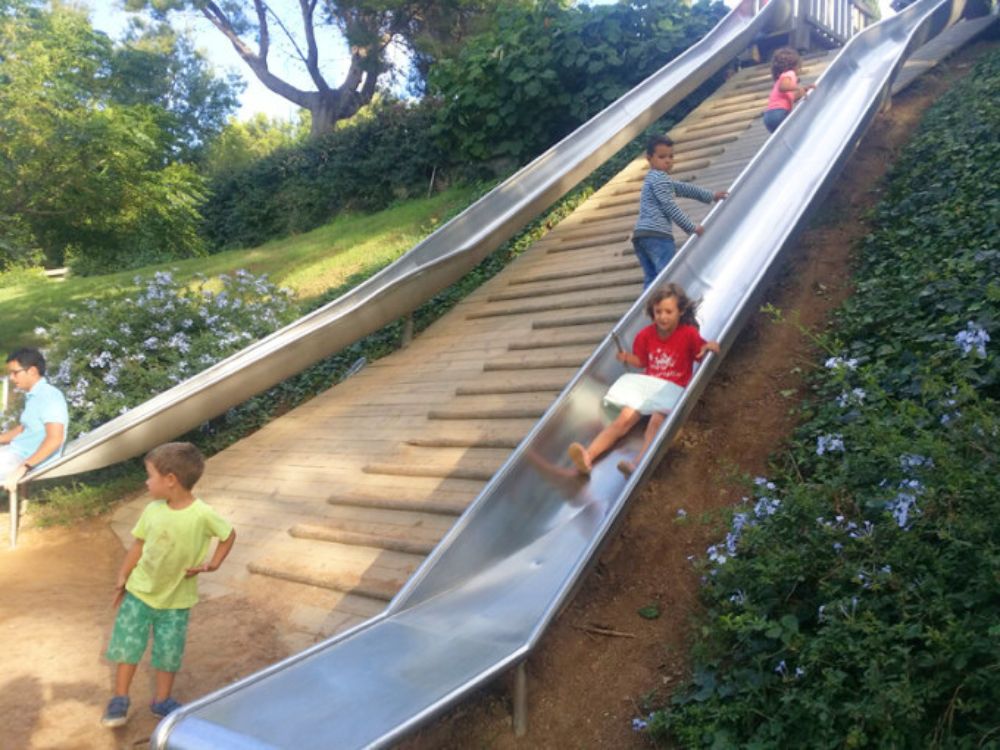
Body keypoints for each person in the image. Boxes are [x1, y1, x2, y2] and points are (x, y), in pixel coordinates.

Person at [101, 442, 236, 728]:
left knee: (168, 652)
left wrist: (214, 563)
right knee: (128, 646)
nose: (146, 481)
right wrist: (123, 575)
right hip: (139, 593)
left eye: (150, 475)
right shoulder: (152, 510)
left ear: (171, 480)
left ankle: (162, 700)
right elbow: (138, 544)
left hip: (176, 601)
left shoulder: (202, 514)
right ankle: (120, 698)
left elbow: (228, 534)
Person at [567, 283, 720, 477]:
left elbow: (701, 353)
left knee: (656, 421)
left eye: (668, 311)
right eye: (658, 312)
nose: (662, 317)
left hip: (672, 388)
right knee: (623, 419)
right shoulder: (645, 335)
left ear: (680, 311)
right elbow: (642, 362)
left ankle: (637, 463)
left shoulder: (688, 334)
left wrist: (709, 346)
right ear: (652, 312)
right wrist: (627, 358)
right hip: (648, 386)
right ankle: (588, 456)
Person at [631, 135, 728, 288]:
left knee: (652, 279)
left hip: (641, 236)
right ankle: (666, 307)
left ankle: (647, 309)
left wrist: (711, 195)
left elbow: (684, 188)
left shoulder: (653, 178)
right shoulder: (660, 178)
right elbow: (668, 205)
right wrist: (691, 227)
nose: (668, 160)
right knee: (666, 277)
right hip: (658, 235)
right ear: (649, 159)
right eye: (662, 157)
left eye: (671, 156)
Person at [0, 347, 69, 491]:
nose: (12, 378)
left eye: (15, 373)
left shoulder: (49, 397)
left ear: (32, 371)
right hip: (14, 452)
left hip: (24, 458)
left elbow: (55, 439)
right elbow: (25, 427)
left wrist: (23, 467)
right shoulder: (34, 395)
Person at [762, 47, 816, 133]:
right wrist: (798, 87)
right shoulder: (790, 74)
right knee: (796, 130)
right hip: (779, 113)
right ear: (795, 65)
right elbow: (783, 87)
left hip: (768, 118)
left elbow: (792, 97)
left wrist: (805, 89)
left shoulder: (780, 79)